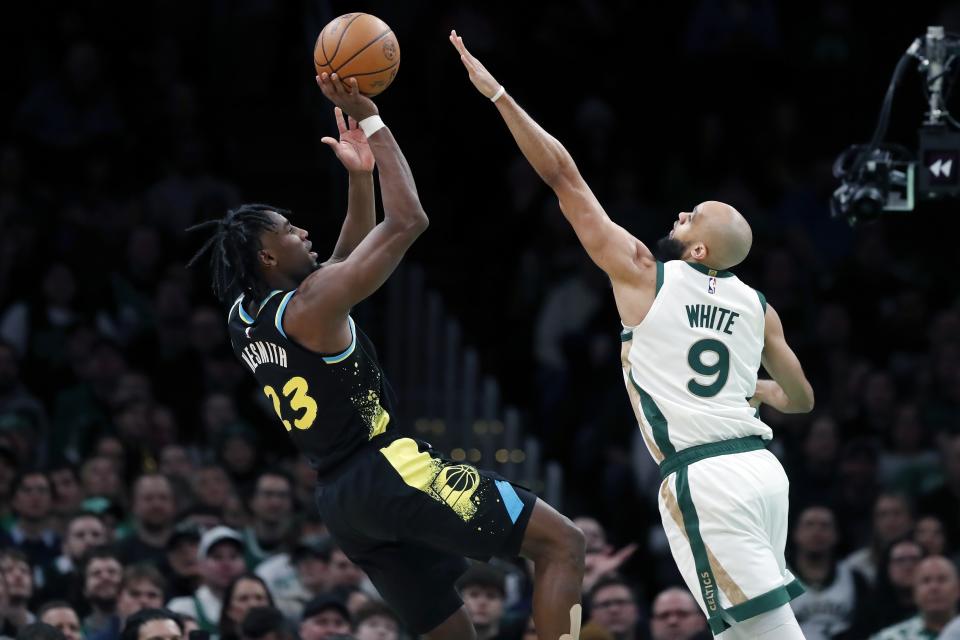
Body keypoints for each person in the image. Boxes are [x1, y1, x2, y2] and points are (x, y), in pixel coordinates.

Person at [186, 73, 584, 640]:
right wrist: (375, 121)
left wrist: (360, 178)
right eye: (288, 230)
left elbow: (349, 252)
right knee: (563, 543)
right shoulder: (313, 301)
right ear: (266, 255)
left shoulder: (246, 317)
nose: (302, 231)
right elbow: (409, 221)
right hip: (388, 468)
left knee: (451, 635)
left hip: (342, 502)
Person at [449, 29, 815, 640]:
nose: (678, 214)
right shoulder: (760, 308)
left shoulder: (646, 272)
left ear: (697, 248)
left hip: (706, 479)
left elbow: (564, 178)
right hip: (764, 471)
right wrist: (765, 392)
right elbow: (801, 397)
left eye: (690, 215)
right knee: (743, 633)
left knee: (770, 636)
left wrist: (499, 96)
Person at [872, 555, 959, 639]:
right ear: (914, 591)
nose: (934, 587)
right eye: (926, 581)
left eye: (942, 579)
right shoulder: (889, 638)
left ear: (958, 589)